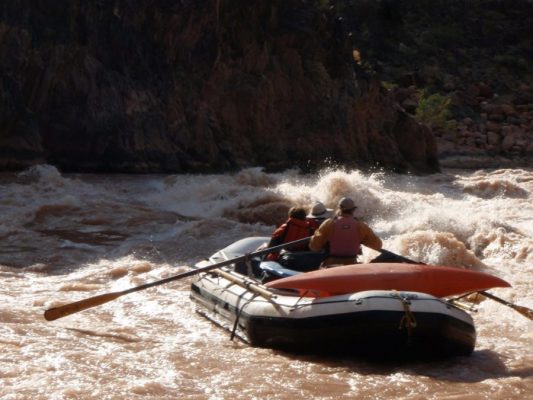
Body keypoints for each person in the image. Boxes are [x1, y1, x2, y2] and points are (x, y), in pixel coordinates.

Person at [309, 197, 382, 268]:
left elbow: (314, 247)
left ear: (339, 208)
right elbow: (378, 245)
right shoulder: (361, 226)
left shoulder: (328, 223)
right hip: (352, 265)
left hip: (331, 265)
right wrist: (361, 240)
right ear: (353, 210)